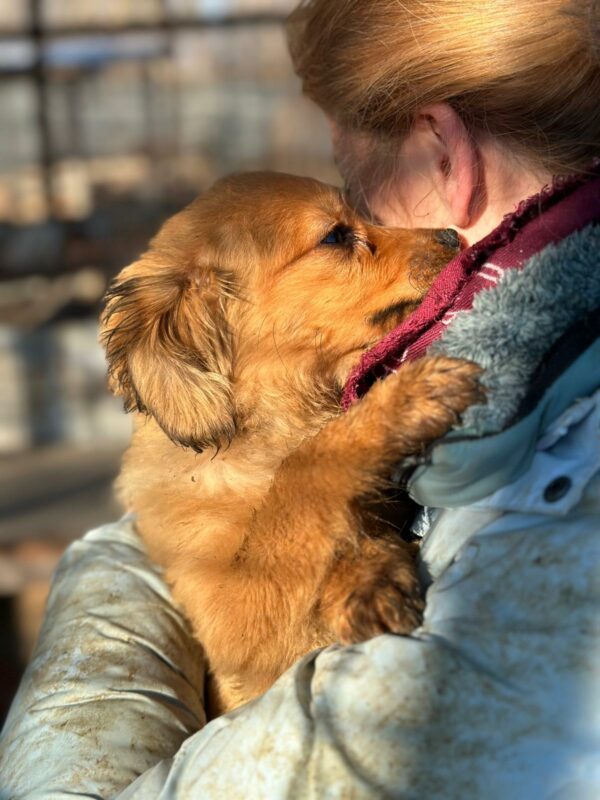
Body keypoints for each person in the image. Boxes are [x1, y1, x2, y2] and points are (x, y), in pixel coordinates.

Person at [1, 0, 599, 796]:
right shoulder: (478, 358)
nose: (410, 247)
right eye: (341, 234)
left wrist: (94, 653)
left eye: (356, 193)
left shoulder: (529, 555)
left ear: (442, 153)